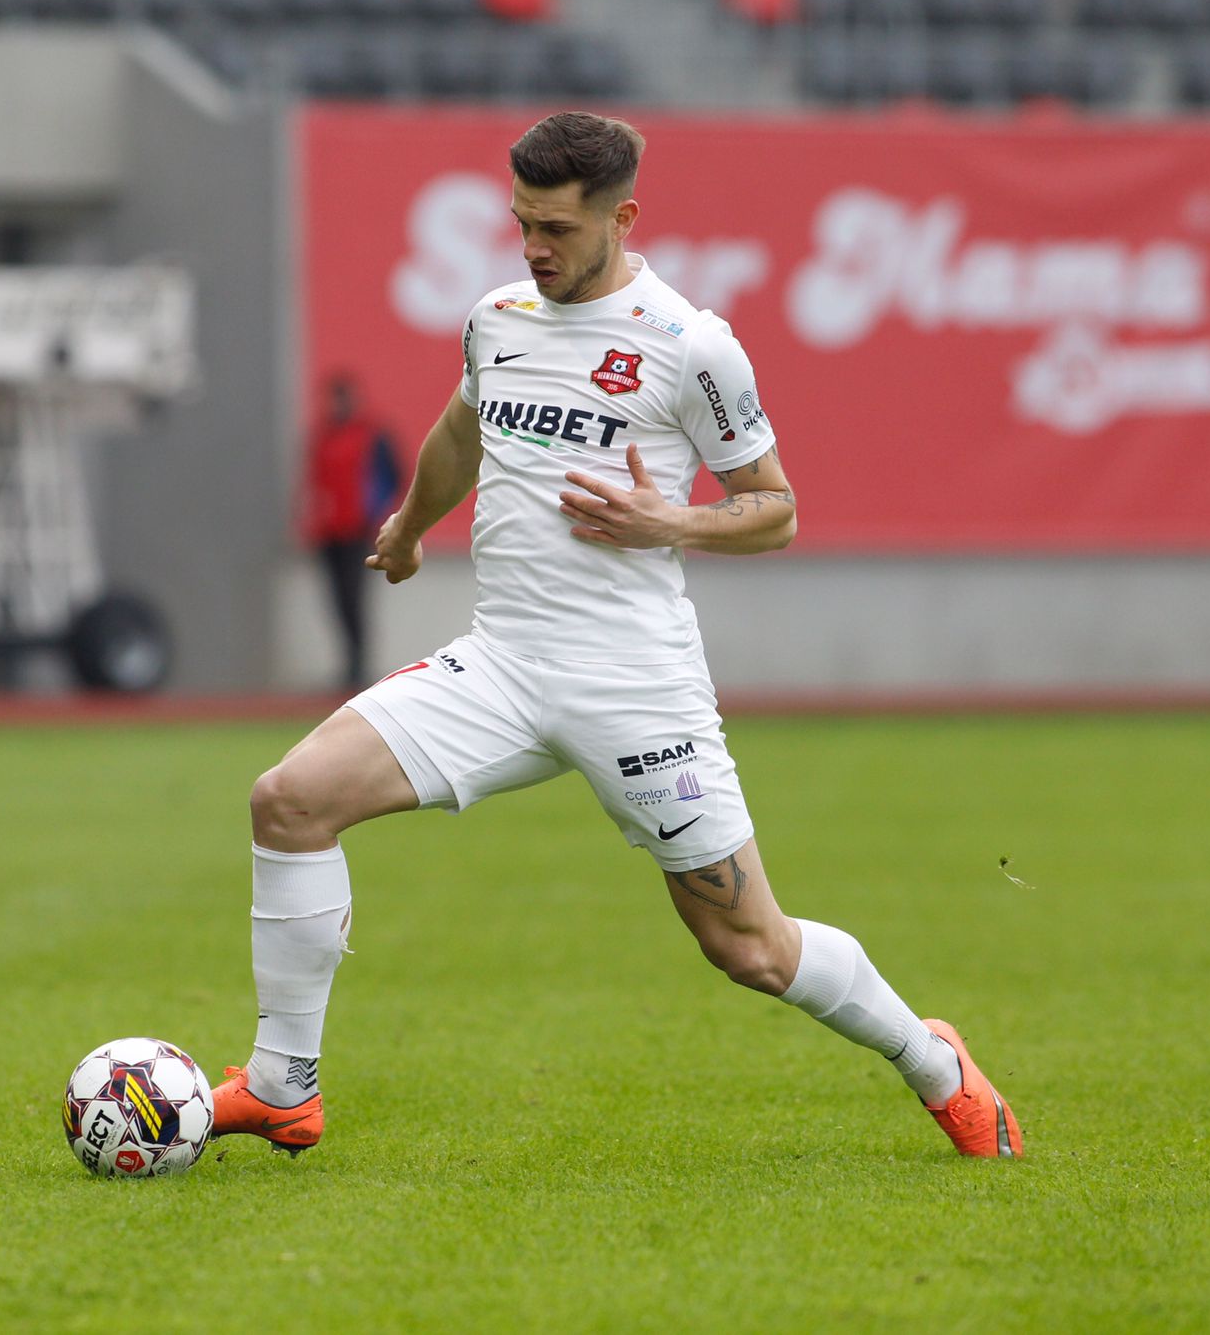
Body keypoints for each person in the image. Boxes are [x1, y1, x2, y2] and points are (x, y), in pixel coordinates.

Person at [211, 111, 1022, 1162]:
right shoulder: (495, 317)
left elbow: (773, 509)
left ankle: (934, 1062)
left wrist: (668, 520)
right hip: (499, 664)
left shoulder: (691, 346)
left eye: (552, 226)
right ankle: (283, 1085)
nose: (531, 246)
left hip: (633, 686)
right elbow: (462, 429)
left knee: (747, 945)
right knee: (287, 799)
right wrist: (411, 525)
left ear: (621, 216)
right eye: (519, 222)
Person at [305, 374, 401, 689]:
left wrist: (372, 514)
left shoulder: (372, 435)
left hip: (357, 532)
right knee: (336, 601)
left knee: (355, 599)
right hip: (328, 533)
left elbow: (393, 477)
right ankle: (348, 665)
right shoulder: (323, 435)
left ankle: (359, 666)